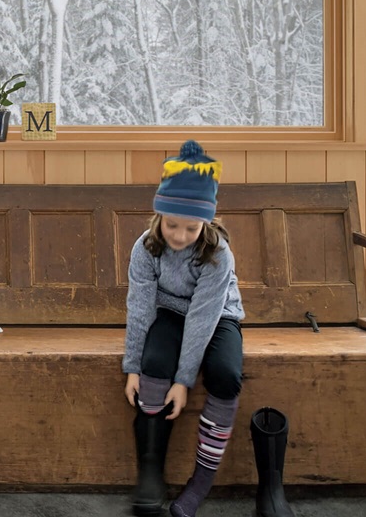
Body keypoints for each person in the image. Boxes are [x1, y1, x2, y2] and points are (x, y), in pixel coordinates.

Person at [123, 140, 245, 517]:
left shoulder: (217, 254)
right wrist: (131, 366)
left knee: (226, 375)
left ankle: (200, 482)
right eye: (171, 224)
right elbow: (140, 308)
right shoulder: (145, 248)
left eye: (190, 228)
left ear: (207, 221)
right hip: (169, 313)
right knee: (153, 363)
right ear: (158, 215)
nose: (178, 235)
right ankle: (151, 474)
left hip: (218, 315)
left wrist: (184, 381)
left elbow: (204, 318)